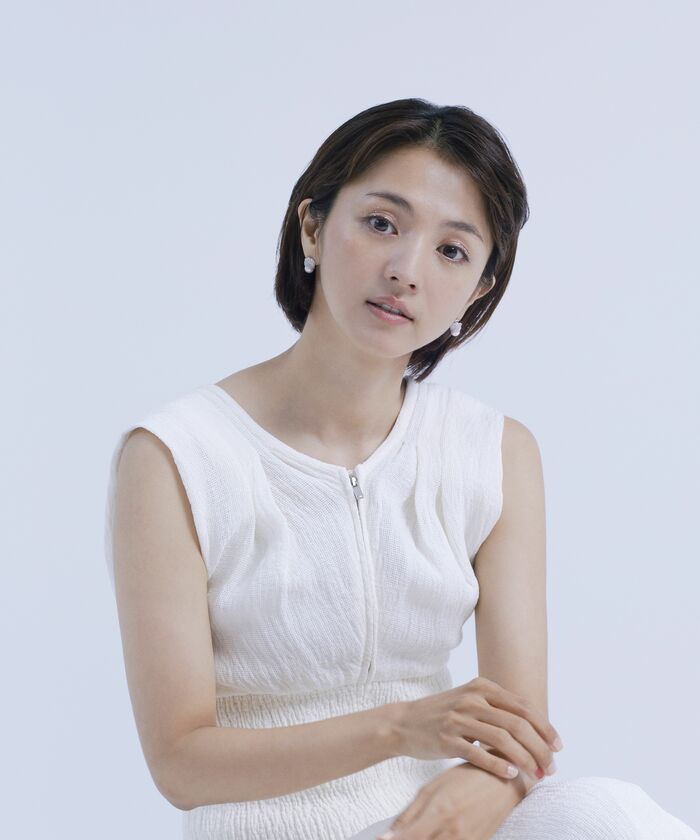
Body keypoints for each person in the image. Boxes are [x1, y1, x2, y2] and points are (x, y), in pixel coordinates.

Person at [104, 98, 699, 840]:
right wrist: (398, 730)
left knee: (602, 813)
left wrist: (490, 784)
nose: (405, 271)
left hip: (440, 820)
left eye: (452, 251)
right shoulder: (176, 456)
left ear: (479, 289)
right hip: (264, 827)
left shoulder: (493, 451)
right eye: (382, 223)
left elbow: (518, 731)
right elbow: (180, 765)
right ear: (313, 226)